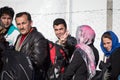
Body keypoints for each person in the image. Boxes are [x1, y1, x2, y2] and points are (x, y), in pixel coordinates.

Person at [14, 12, 49, 80]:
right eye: (18, 24)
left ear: (31, 23)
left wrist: (18, 63)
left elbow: (37, 62)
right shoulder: (19, 36)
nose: (21, 27)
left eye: (24, 23)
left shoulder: (38, 37)